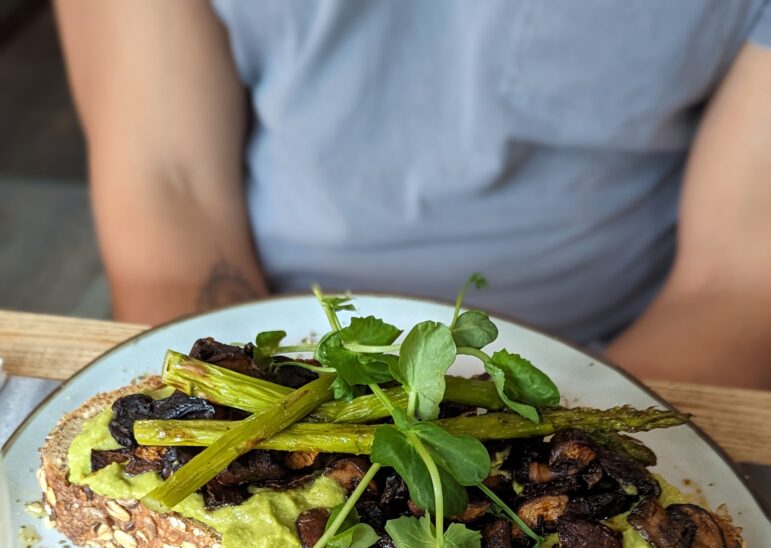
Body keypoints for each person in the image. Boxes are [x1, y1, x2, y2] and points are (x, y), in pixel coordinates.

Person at [54, 0, 771, 388]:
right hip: (259, 332)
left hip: (630, 359)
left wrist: (549, 457)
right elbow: (167, 184)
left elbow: (738, 283)